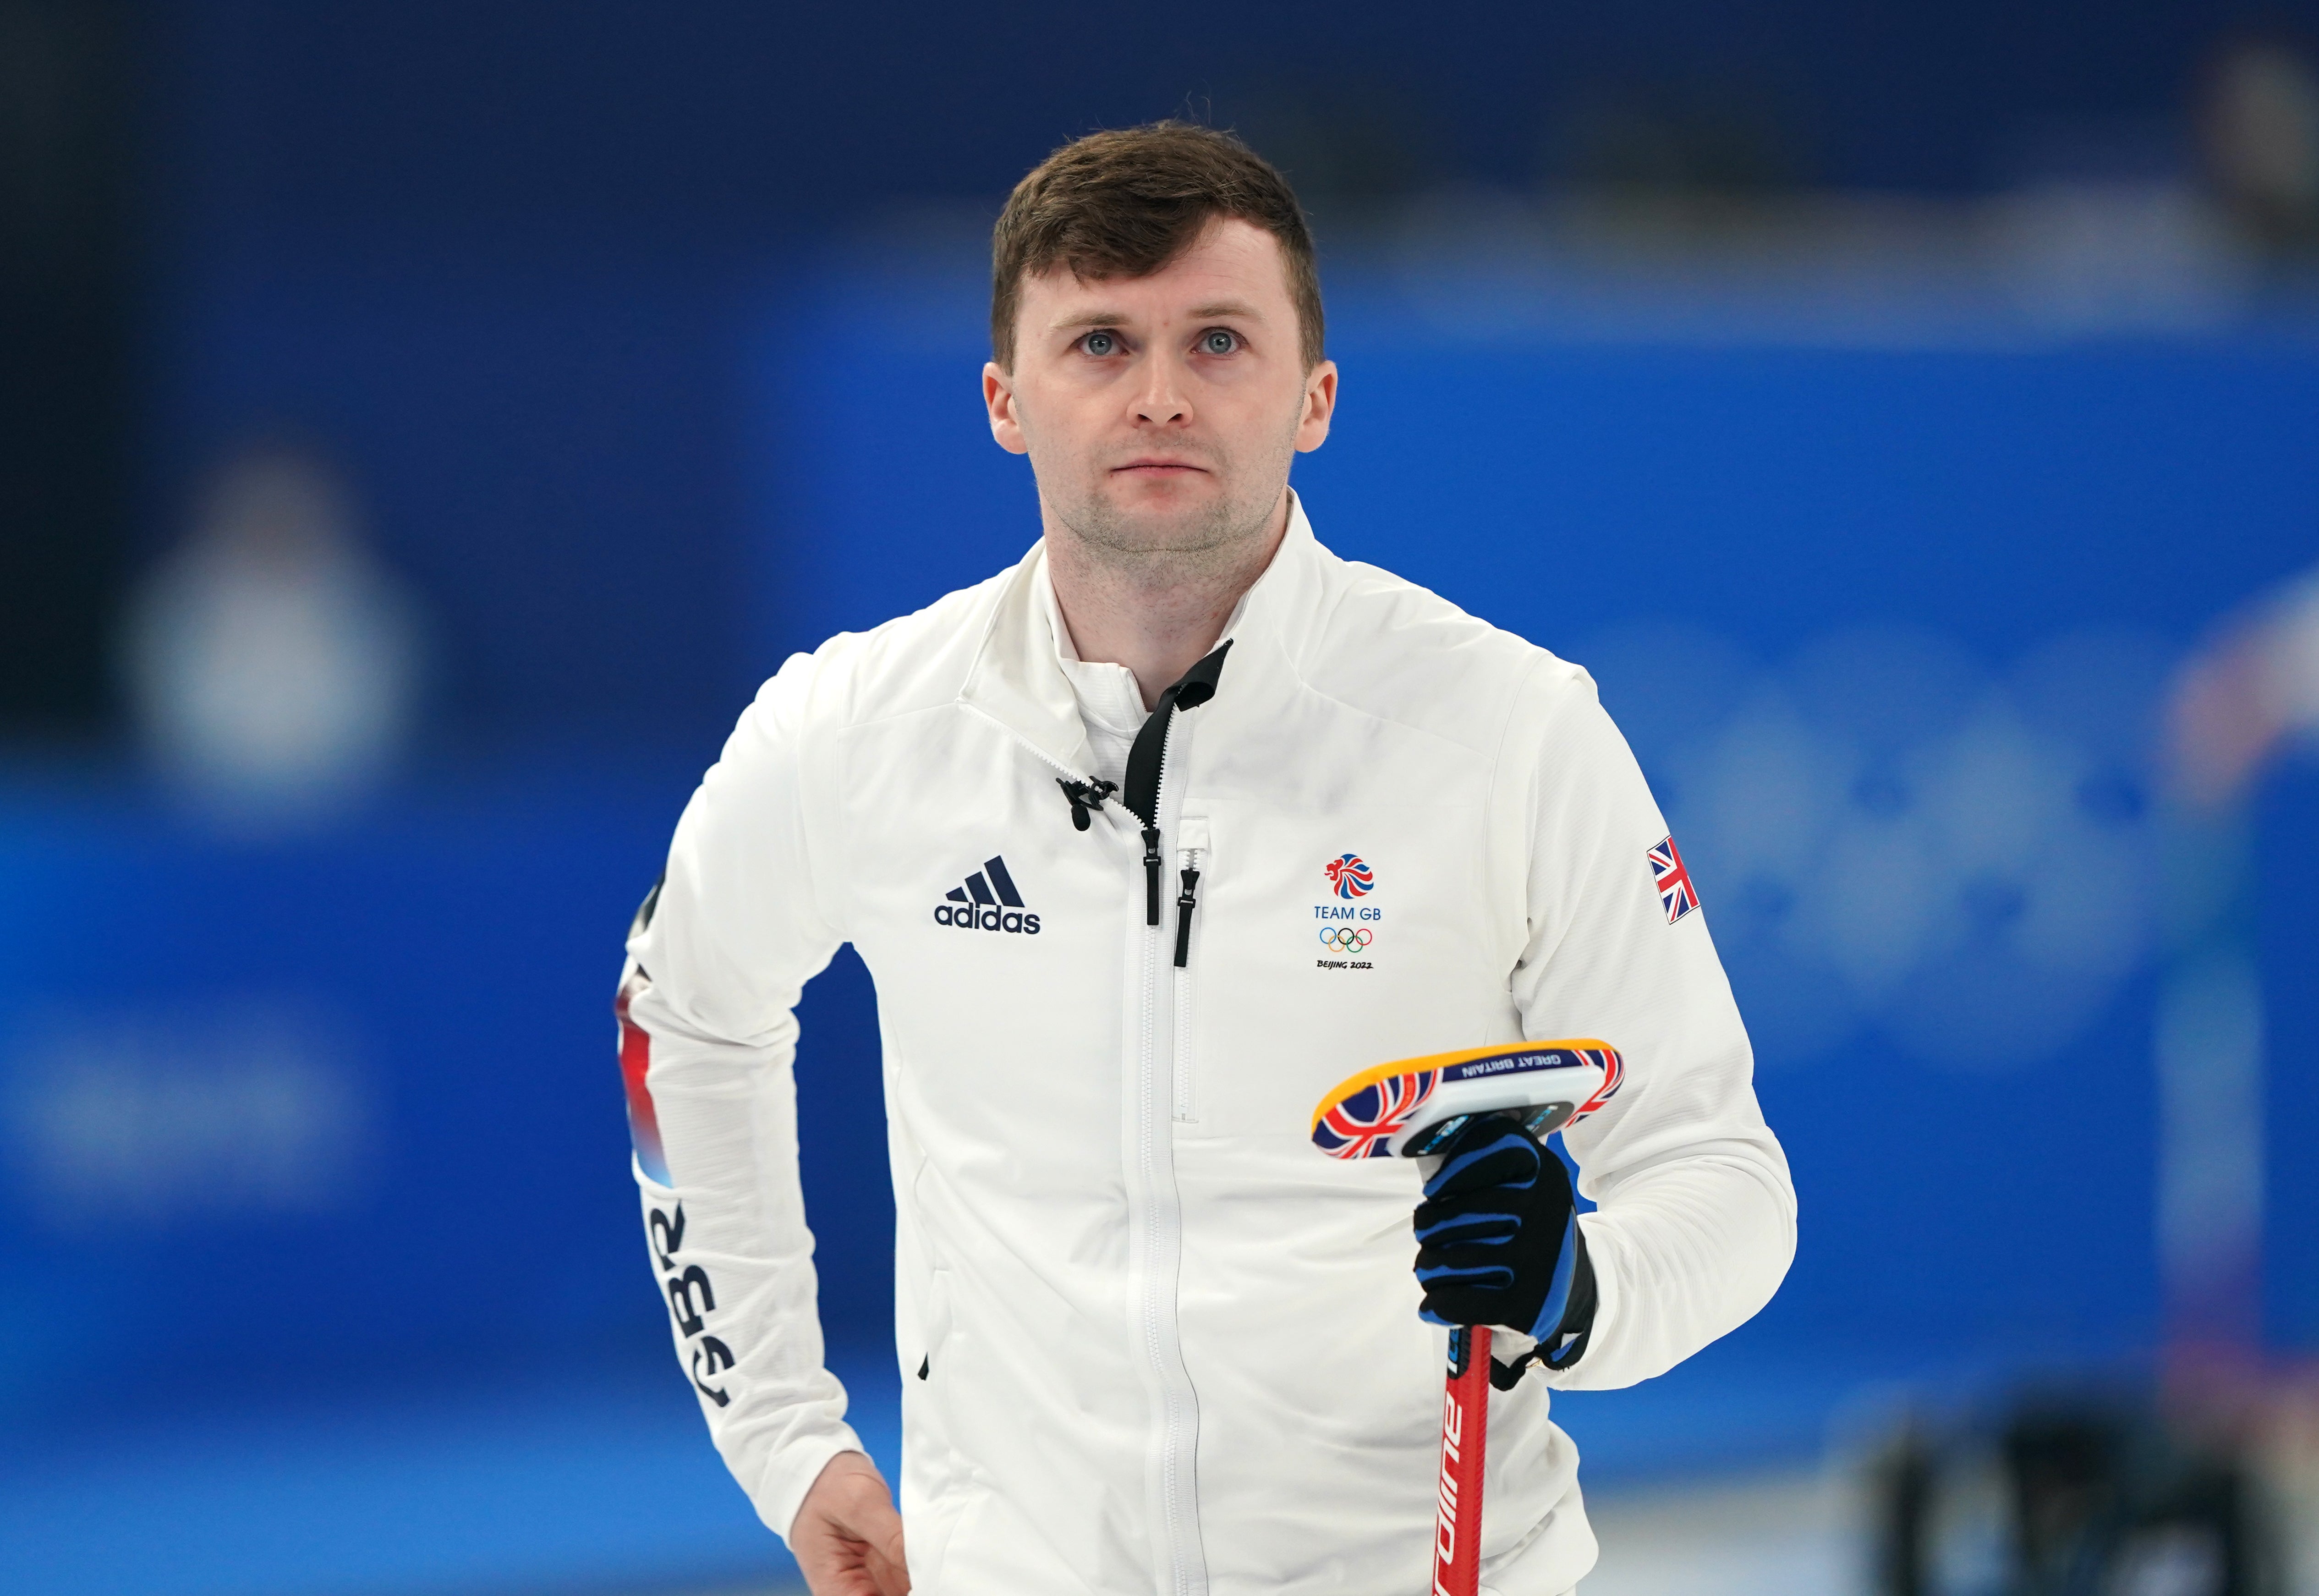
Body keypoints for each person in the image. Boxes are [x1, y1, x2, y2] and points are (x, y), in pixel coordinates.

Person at [617, 121, 1794, 1596]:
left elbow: (1729, 1181)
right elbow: (681, 1012)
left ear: (1315, 397)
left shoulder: (1510, 733)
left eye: (1219, 342)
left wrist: (1585, 1287)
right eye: (1100, 343)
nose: (1160, 395)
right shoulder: (859, 727)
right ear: (1004, 399)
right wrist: (782, 1433)